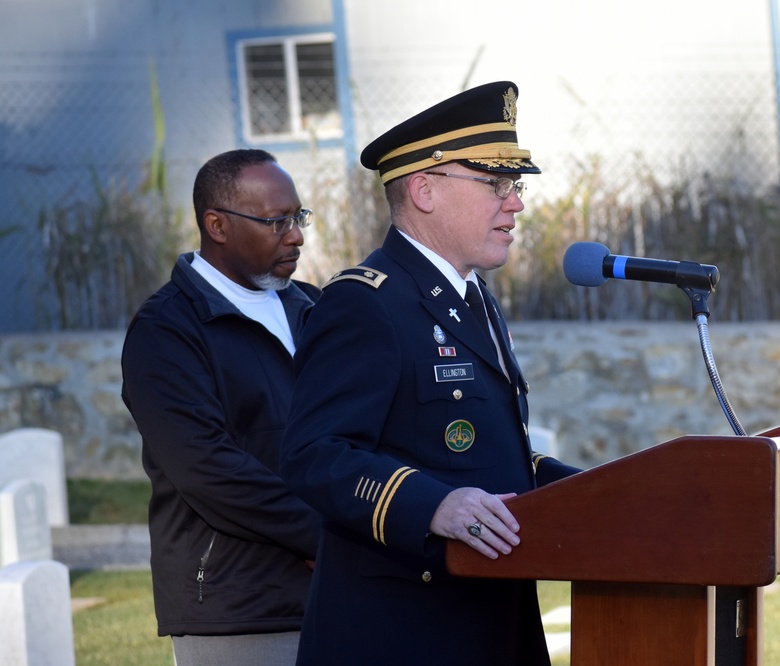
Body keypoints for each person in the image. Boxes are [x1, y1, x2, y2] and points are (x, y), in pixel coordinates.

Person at [279, 81, 580, 665]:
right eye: (495, 184)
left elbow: (487, 452)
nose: (515, 202)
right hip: (401, 632)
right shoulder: (367, 302)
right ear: (423, 190)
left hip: (491, 620)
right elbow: (313, 453)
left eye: (513, 185)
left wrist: (598, 488)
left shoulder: (472, 298)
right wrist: (432, 505)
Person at [120, 149, 324, 666]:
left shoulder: (316, 307)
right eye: (276, 221)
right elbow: (208, 469)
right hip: (241, 606)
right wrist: (328, 533)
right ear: (217, 225)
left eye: (297, 218)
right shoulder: (166, 331)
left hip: (340, 590)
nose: (296, 235)